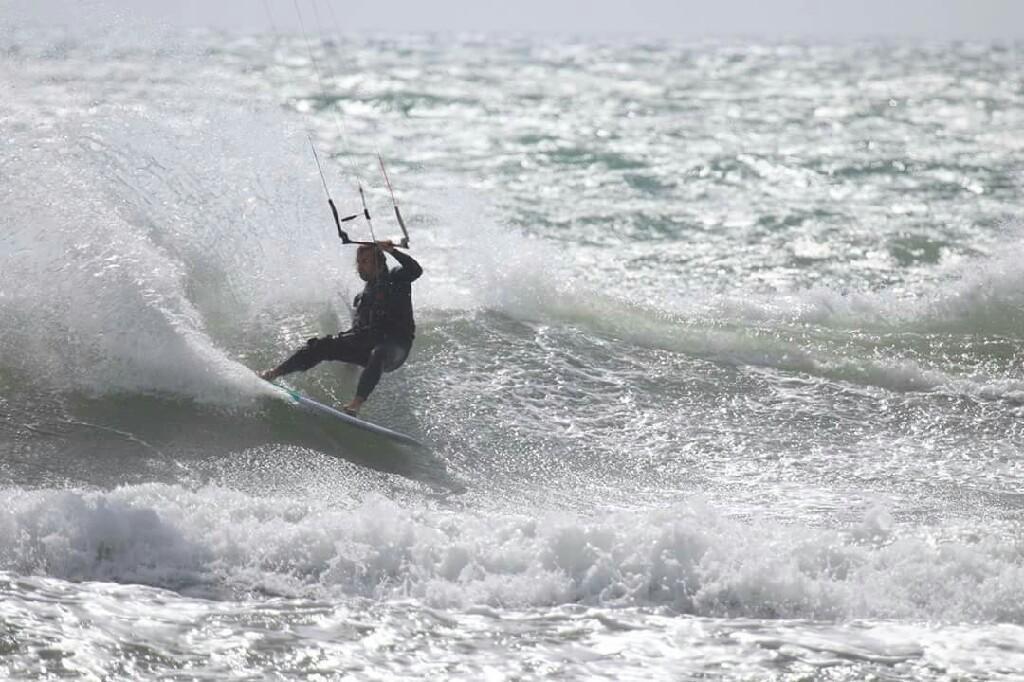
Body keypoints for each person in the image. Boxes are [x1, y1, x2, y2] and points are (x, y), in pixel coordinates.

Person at [260, 240, 423, 416]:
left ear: (379, 261)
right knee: (320, 345)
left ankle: (356, 404)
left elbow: (416, 270)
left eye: (365, 262)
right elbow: (358, 330)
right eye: (358, 262)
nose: (360, 267)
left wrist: (392, 251)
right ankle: (274, 373)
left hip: (396, 347)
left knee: (379, 353)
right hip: (368, 345)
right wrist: (347, 355)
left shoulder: (396, 278)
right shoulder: (362, 296)